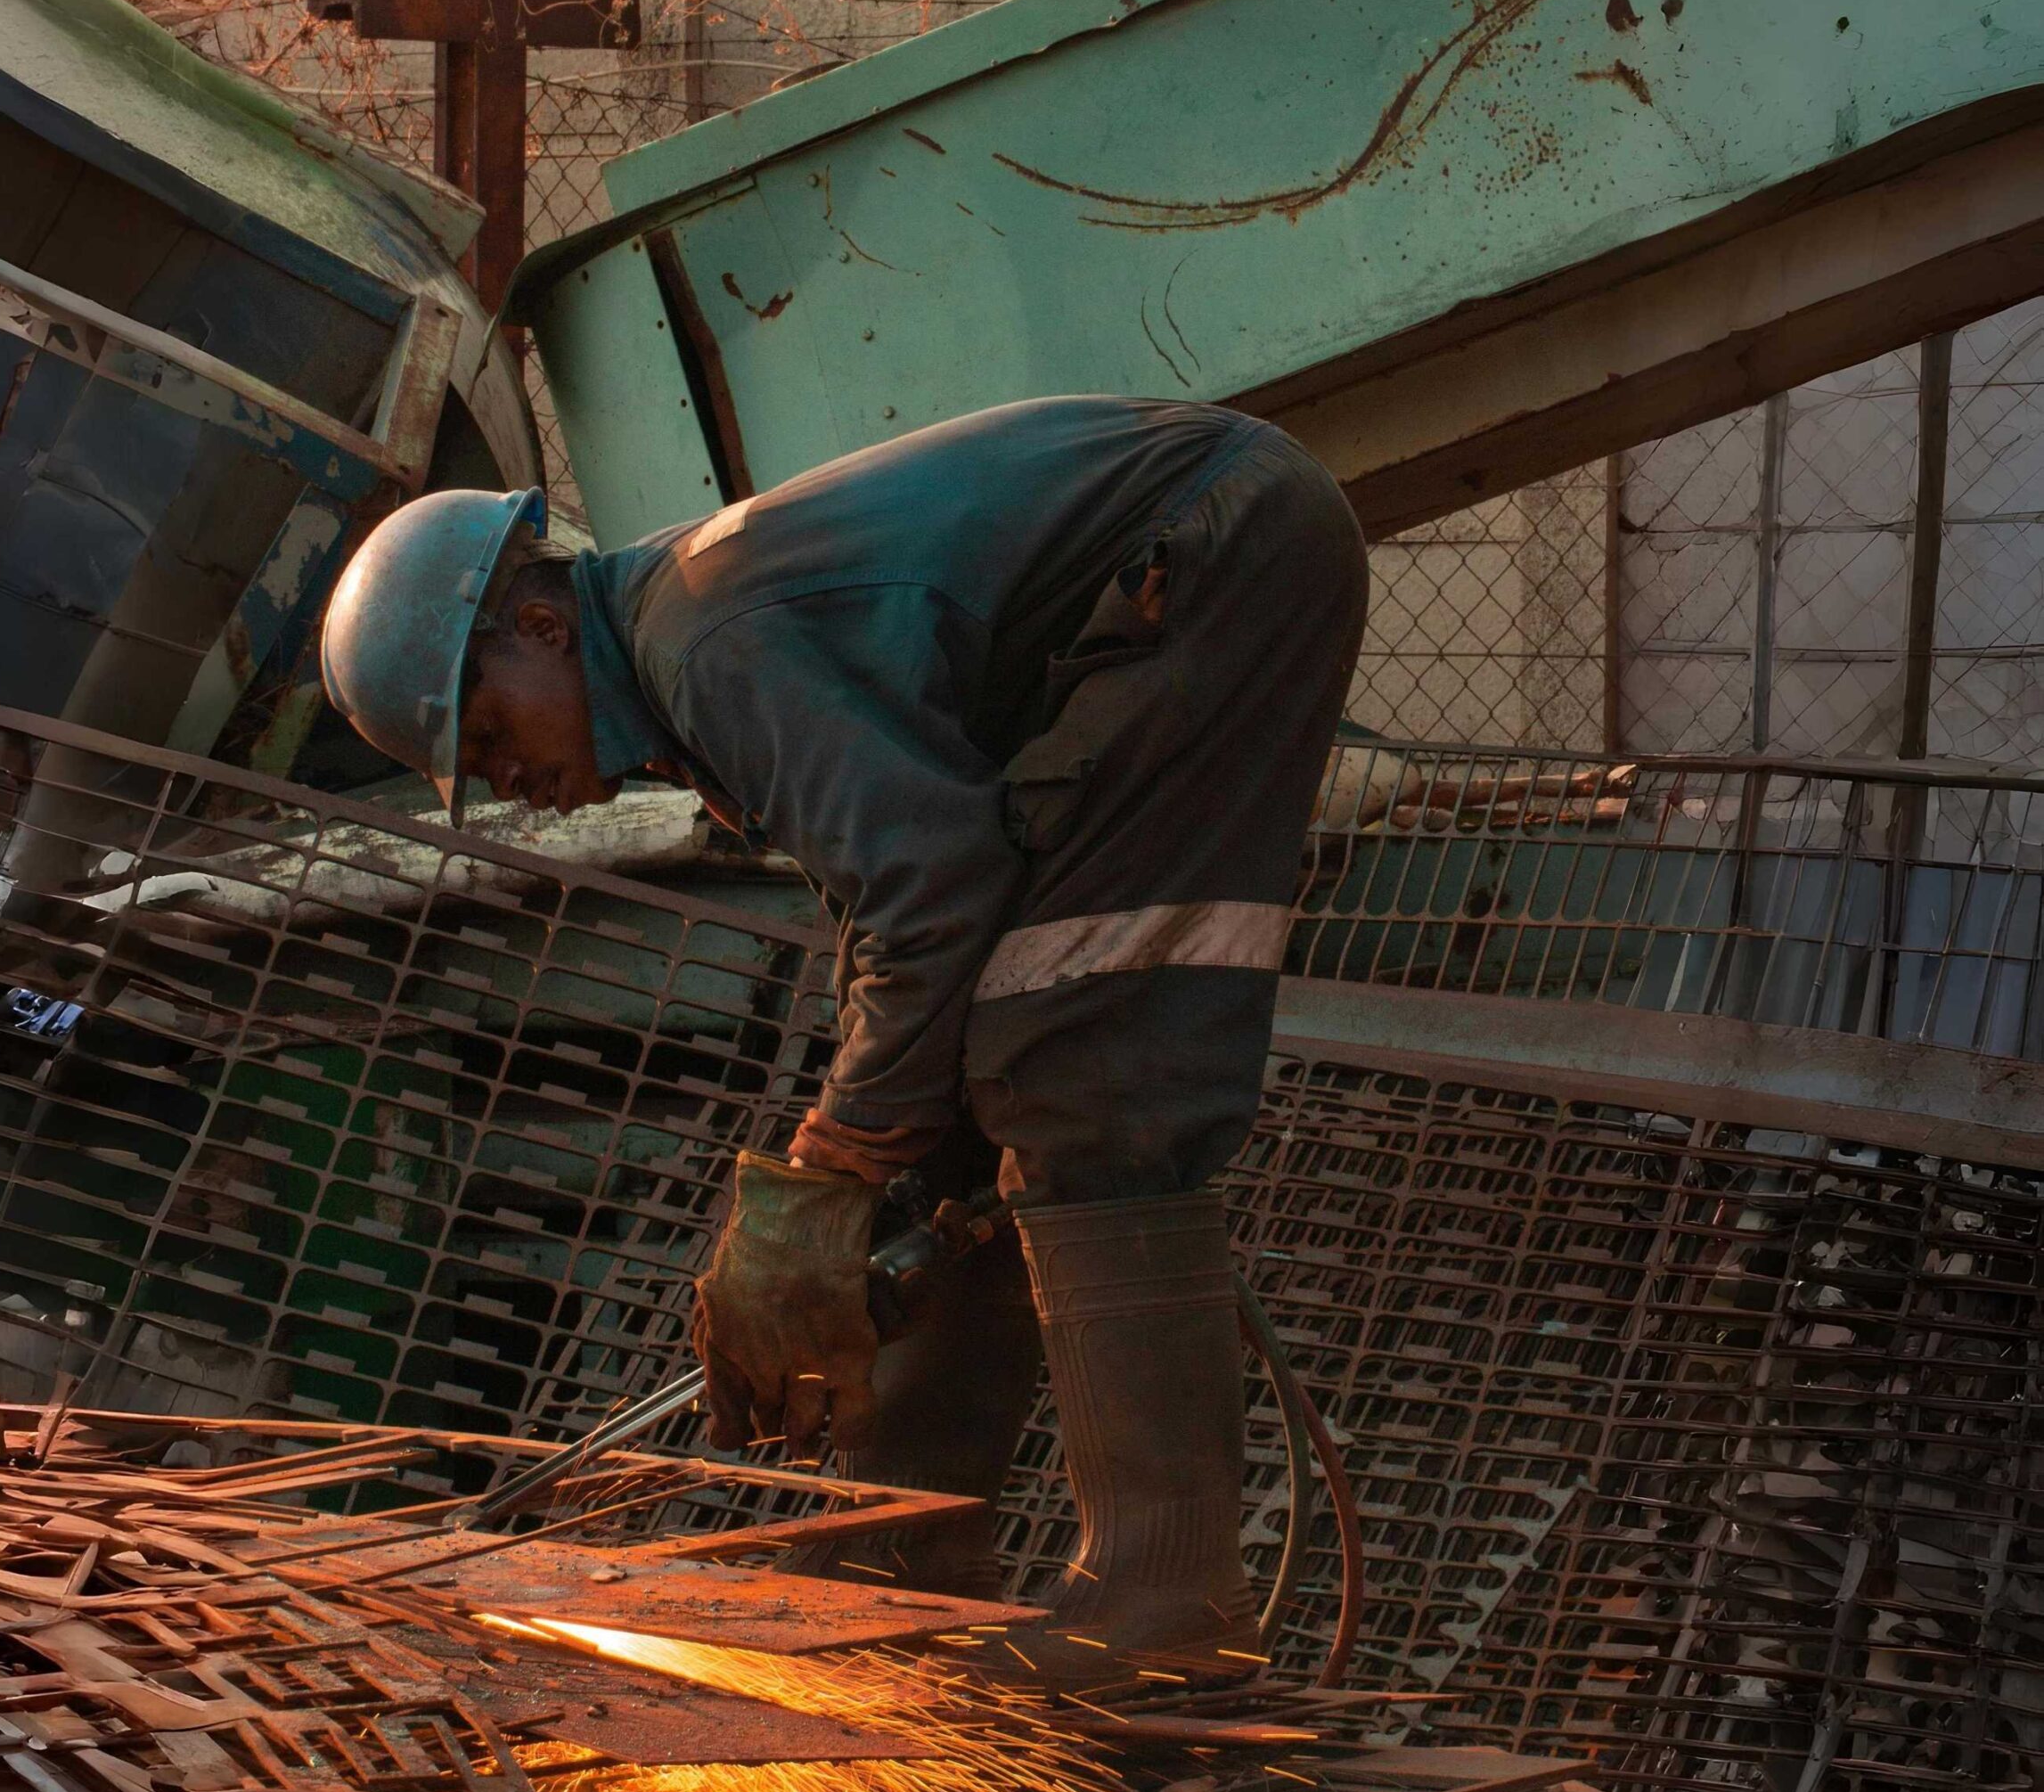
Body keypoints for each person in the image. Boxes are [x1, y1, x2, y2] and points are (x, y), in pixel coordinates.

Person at [319, 396, 1367, 1688]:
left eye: (488, 736)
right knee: (975, 1112)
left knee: (1079, 1047)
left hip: (1211, 548)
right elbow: (909, 908)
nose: (507, 781)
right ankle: (899, 1564)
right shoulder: (687, 650)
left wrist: (833, 1161)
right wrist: (880, 1144)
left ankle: (1164, 1598)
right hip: (1191, 538)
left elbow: (927, 889)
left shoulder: (710, 644)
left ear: (539, 627)